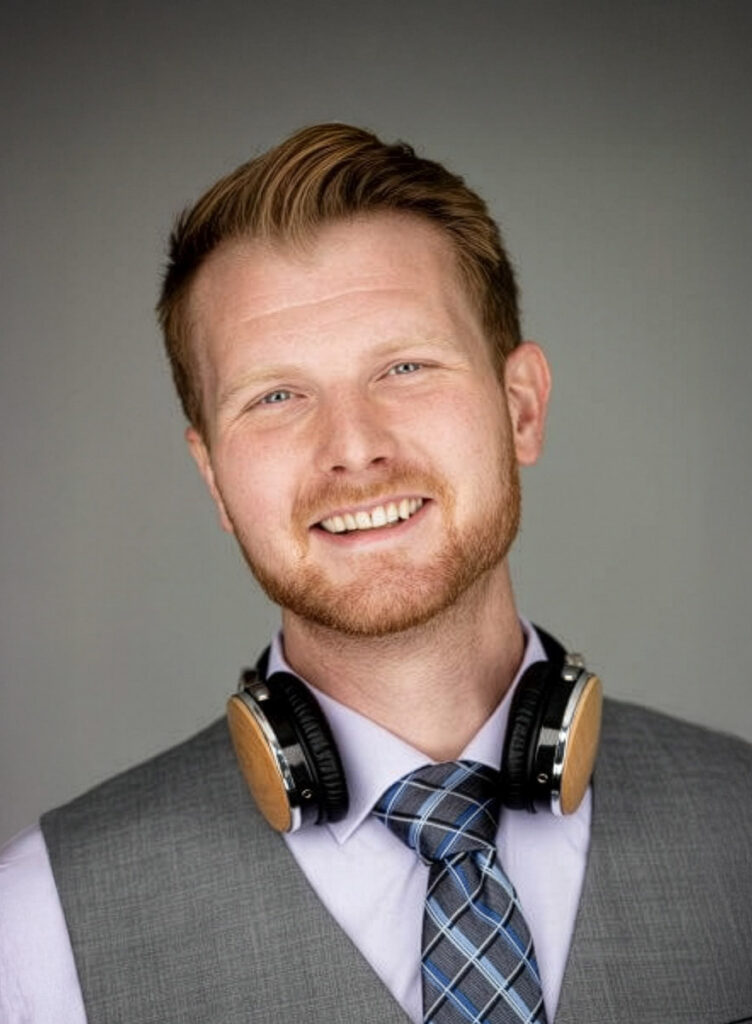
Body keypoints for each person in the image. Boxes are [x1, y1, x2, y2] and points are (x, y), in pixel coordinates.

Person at [1, 124, 751, 1024]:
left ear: (521, 409)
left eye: (404, 367)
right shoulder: (33, 926)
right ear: (214, 478)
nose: (353, 449)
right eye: (276, 396)